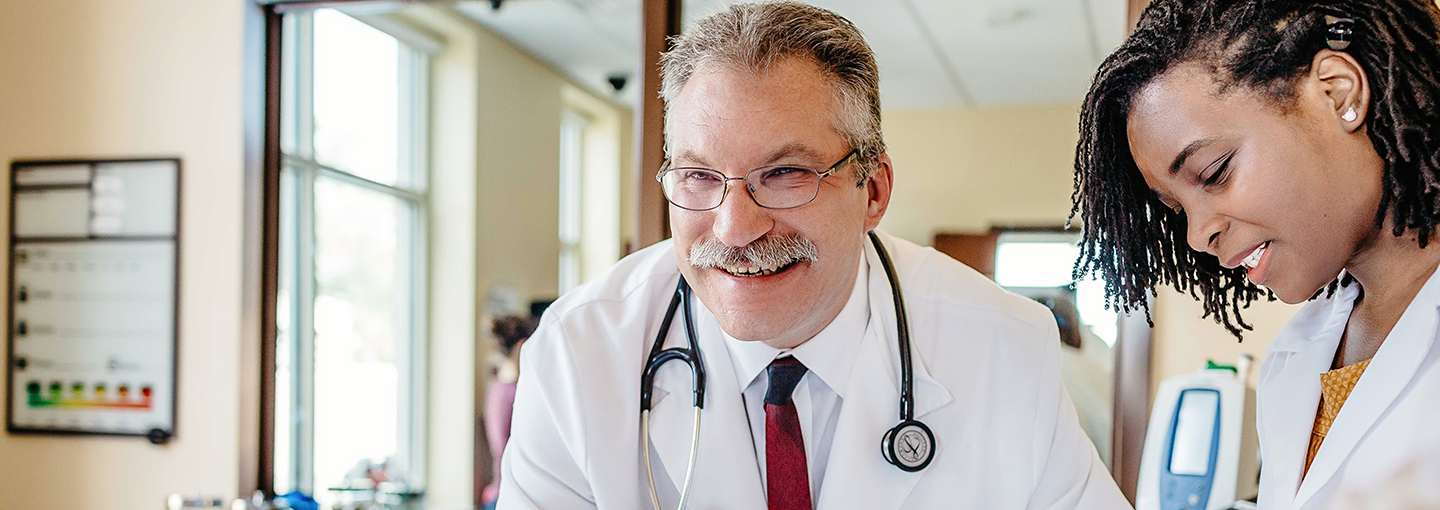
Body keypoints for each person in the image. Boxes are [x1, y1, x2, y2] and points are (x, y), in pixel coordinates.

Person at [497, 3, 1127, 509]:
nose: (735, 228)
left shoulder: (1005, 349)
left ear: (873, 191)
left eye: (785, 174)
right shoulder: (579, 352)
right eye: (698, 177)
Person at [1069, 0, 1440, 507]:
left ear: (1338, 93)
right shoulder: (1296, 356)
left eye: (1215, 172)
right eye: (1177, 210)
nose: (1198, 236)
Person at [482, 315, 538, 510]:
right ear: (522, 346)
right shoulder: (509, 392)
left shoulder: (500, 389)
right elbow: (503, 447)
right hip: (506, 495)